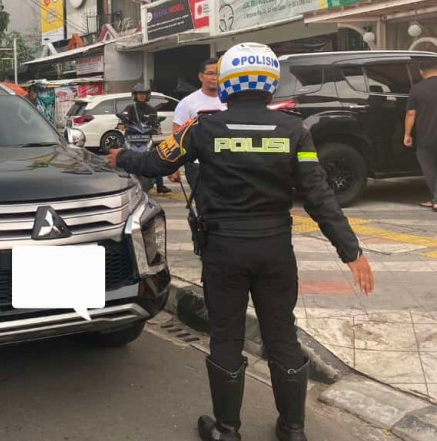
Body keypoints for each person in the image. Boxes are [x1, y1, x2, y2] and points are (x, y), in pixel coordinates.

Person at [108, 42, 374, 441]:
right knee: (281, 334)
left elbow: (153, 163)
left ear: (228, 84)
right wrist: (351, 251)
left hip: (224, 251)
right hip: (275, 251)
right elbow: (319, 196)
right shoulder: (295, 131)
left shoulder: (202, 128)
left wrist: (117, 157)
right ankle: (293, 429)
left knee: (227, 336)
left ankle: (227, 430)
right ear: (271, 83)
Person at [169, 57, 227, 191]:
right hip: (197, 165)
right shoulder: (188, 103)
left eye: (218, 73)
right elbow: (177, 136)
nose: (215, 78)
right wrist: (173, 166)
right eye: (210, 73)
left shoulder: (230, 100)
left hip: (225, 164)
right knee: (203, 205)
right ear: (201, 76)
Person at [118, 83, 171, 194]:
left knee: (156, 157)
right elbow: (124, 116)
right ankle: (121, 183)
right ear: (135, 95)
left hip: (146, 136)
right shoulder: (130, 107)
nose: (141, 96)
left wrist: (157, 128)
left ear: (147, 95)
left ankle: (160, 185)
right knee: (122, 156)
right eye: (139, 94)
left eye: (144, 94)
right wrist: (121, 123)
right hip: (131, 136)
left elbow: (155, 122)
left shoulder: (151, 109)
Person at [404, 59, 437, 212]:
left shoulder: (417, 89)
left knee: (430, 169)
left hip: (426, 137)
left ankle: (436, 200)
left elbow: (411, 114)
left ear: (421, 72)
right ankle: (434, 199)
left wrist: (407, 134)